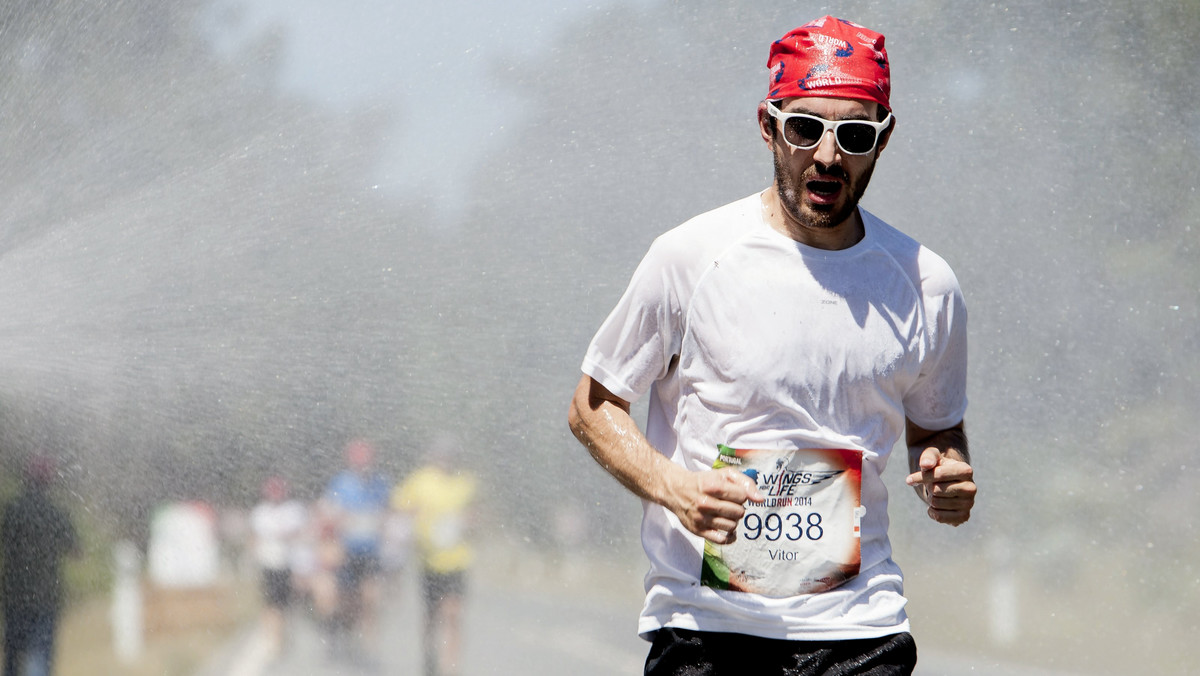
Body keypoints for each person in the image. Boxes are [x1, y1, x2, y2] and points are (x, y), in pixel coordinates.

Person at [567, 16, 976, 675]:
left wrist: (946, 476)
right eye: (805, 128)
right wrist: (675, 487)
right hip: (708, 630)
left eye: (854, 134)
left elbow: (936, 430)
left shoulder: (927, 283)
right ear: (769, 127)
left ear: (883, 139)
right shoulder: (691, 257)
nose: (827, 155)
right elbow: (591, 406)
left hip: (861, 629)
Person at [393, 442, 476, 676]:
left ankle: (451, 667)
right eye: (441, 457)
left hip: (457, 560)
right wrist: (413, 517)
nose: (445, 462)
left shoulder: (466, 483)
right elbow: (399, 506)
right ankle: (429, 659)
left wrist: (469, 520)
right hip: (428, 560)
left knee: (453, 613)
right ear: (433, 458)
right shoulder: (420, 481)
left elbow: (477, 512)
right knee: (430, 616)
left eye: (449, 457)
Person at [1, 455, 79, 676]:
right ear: (49, 481)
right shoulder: (56, 514)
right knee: (40, 658)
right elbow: (76, 551)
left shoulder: (12, 510)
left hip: (14, 595)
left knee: (12, 659)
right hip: (46, 599)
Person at [323, 438, 391, 657]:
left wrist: (383, 525)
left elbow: (388, 513)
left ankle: (370, 646)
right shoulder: (340, 484)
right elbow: (329, 516)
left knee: (372, 597)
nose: (364, 467)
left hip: (371, 552)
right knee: (348, 600)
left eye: (367, 462)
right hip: (348, 551)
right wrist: (343, 522)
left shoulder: (381, 484)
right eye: (360, 463)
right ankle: (341, 631)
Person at [248, 475, 307, 658]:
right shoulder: (260, 513)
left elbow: (299, 535)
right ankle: (273, 639)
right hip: (269, 563)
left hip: (289, 564)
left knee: (286, 604)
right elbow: (254, 539)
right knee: (272, 603)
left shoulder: (294, 510)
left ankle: (281, 636)